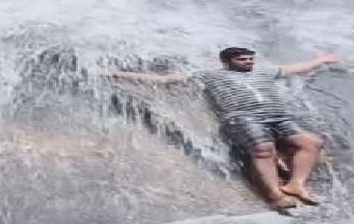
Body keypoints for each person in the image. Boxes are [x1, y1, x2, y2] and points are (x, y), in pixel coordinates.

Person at [100, 46, 341, 210]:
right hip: (242, 118)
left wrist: (321, 60)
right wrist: (113, 73)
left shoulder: (265, 71)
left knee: (312, 142)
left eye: (250, 58)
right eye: (242, 59)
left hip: (278, 117)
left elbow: (298, 68)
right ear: (227, 62)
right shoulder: (209, 75)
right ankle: (275, 196)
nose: (248, 62)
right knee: (263, 149)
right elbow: (166, 80)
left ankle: (295, 184)